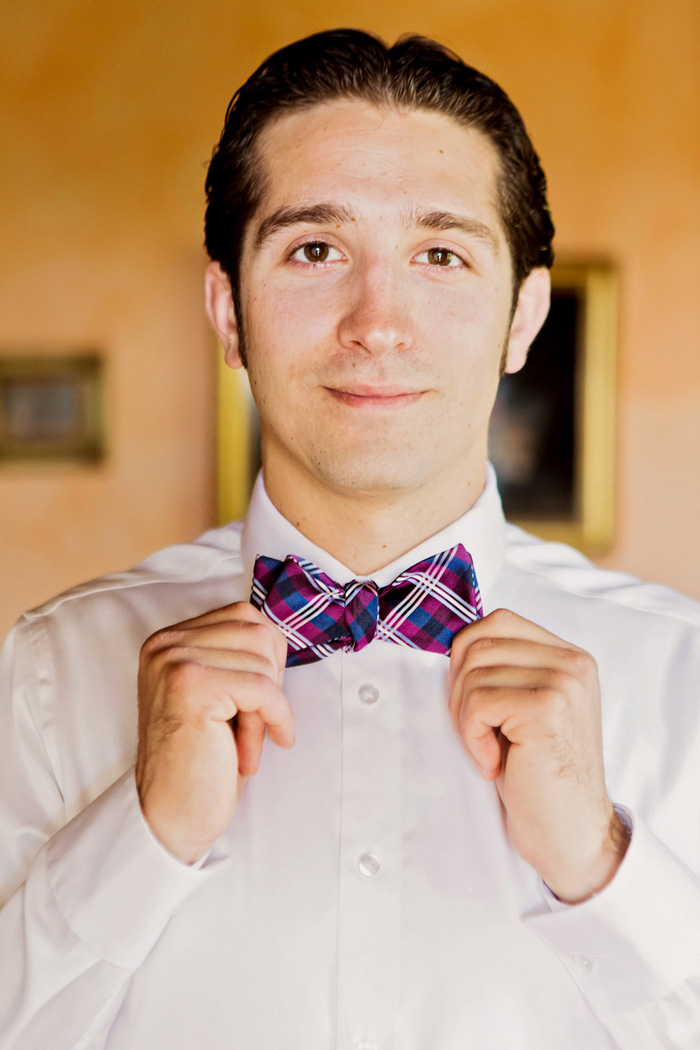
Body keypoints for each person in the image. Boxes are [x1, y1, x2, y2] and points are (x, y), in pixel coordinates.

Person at [0, 28, 699, 1050]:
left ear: (522, 318)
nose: (378, 321)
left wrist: (599, 865)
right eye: (315, 250)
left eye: (440, 254)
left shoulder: (683, 675)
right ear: (227, 310)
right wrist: (138, 840)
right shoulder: (52, 672)